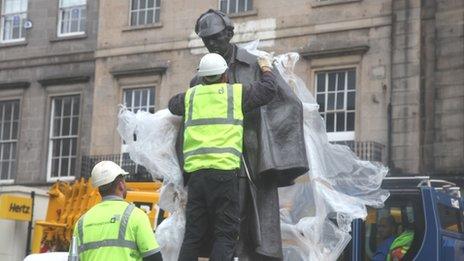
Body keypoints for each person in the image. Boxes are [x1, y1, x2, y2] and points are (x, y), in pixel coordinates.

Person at [177, 9, 308, 260]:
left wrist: (266, 140)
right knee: (220, 231)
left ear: (229, 33)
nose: (211, 43)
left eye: (215, 37)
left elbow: (288, 103)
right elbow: (189, 119)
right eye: (206, 39)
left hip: (252, 158)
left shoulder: (254, 64)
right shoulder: (200, 77)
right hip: (219, 164)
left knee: (250, 230)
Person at [168, 52, 277, 260]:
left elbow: (173, 104)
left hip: (196, 178)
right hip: (224, 175)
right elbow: (268, 90)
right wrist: (266, 68)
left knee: (193, 236)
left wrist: (197, 91)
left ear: (201, 77)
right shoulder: (235, 94)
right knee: (225, 234)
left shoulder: (190, 97)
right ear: (225, 75)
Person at [69, 161, 162, 261]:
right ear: (121, 185)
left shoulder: (81, 223)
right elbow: (154, 257)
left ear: (100, 189)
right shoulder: (135, 215)